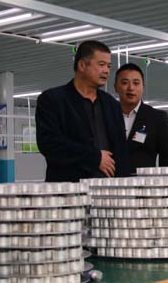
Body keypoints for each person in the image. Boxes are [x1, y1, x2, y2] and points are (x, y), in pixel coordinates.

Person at [36, 40, 129, 182]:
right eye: (101, 64)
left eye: (109, 66)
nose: (106, 71)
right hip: (69, 188)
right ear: (81, 65)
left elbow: (121, 152)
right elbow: (49, 144)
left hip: (109, 189)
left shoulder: (112, 105)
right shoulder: (53, 100)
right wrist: (95, 157)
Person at [114, 62, 168, 174]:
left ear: (143, 87)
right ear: (115, 87)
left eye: (136, 83)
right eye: (124, 83)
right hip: (110, 182)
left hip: (144, 182)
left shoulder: (157, 118)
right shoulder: (107, 115)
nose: (131, 88)